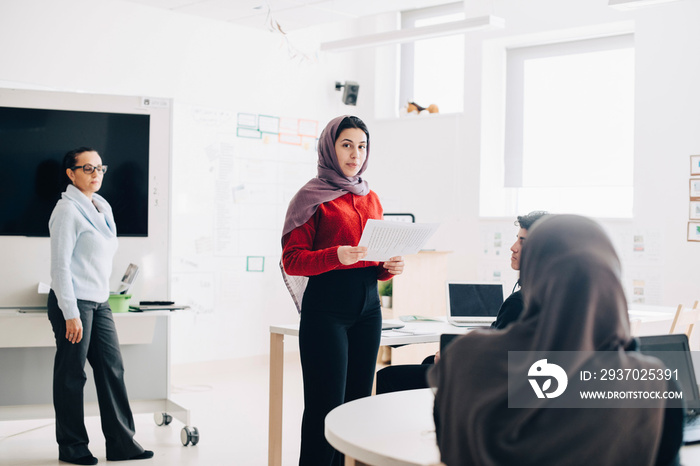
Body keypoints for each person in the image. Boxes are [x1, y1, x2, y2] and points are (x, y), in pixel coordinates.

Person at [428, 215, 683, 466]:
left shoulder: (465, 356)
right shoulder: (653, 383)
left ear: (533, 274)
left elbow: (447, 447)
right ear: (612, 282)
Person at [281, 116, 405, 466]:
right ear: (329, 148)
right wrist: (334, 256)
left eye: (361, 146)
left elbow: (375, 261)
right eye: (346, 145)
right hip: (327, 310)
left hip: (368, 308)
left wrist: (388, 269)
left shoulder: (371, 197)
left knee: (356, 405)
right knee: (325, 406)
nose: (355, 154)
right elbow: (292, 259)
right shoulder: (310, 197)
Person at [48, 147, 153, 465]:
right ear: (71, 174)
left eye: (100, 168)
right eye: (88, 169)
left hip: (100, 300)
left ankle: (122, 443)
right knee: (72, 374)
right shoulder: (66, 211)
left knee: (112, 368)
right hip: (74, 302)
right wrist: (70, 313)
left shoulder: (101, 207)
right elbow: (60, 267)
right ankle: (73, 447)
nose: (96, 175)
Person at [375, 211, 548, 395]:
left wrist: (455, 358)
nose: (513, 247)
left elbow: (495, 360)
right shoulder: (553, 294)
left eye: (523, 242)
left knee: (388, 376)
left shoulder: (519, 302)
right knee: (429, 361)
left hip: (491, 382)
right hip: (524, 381)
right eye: (516, 239)